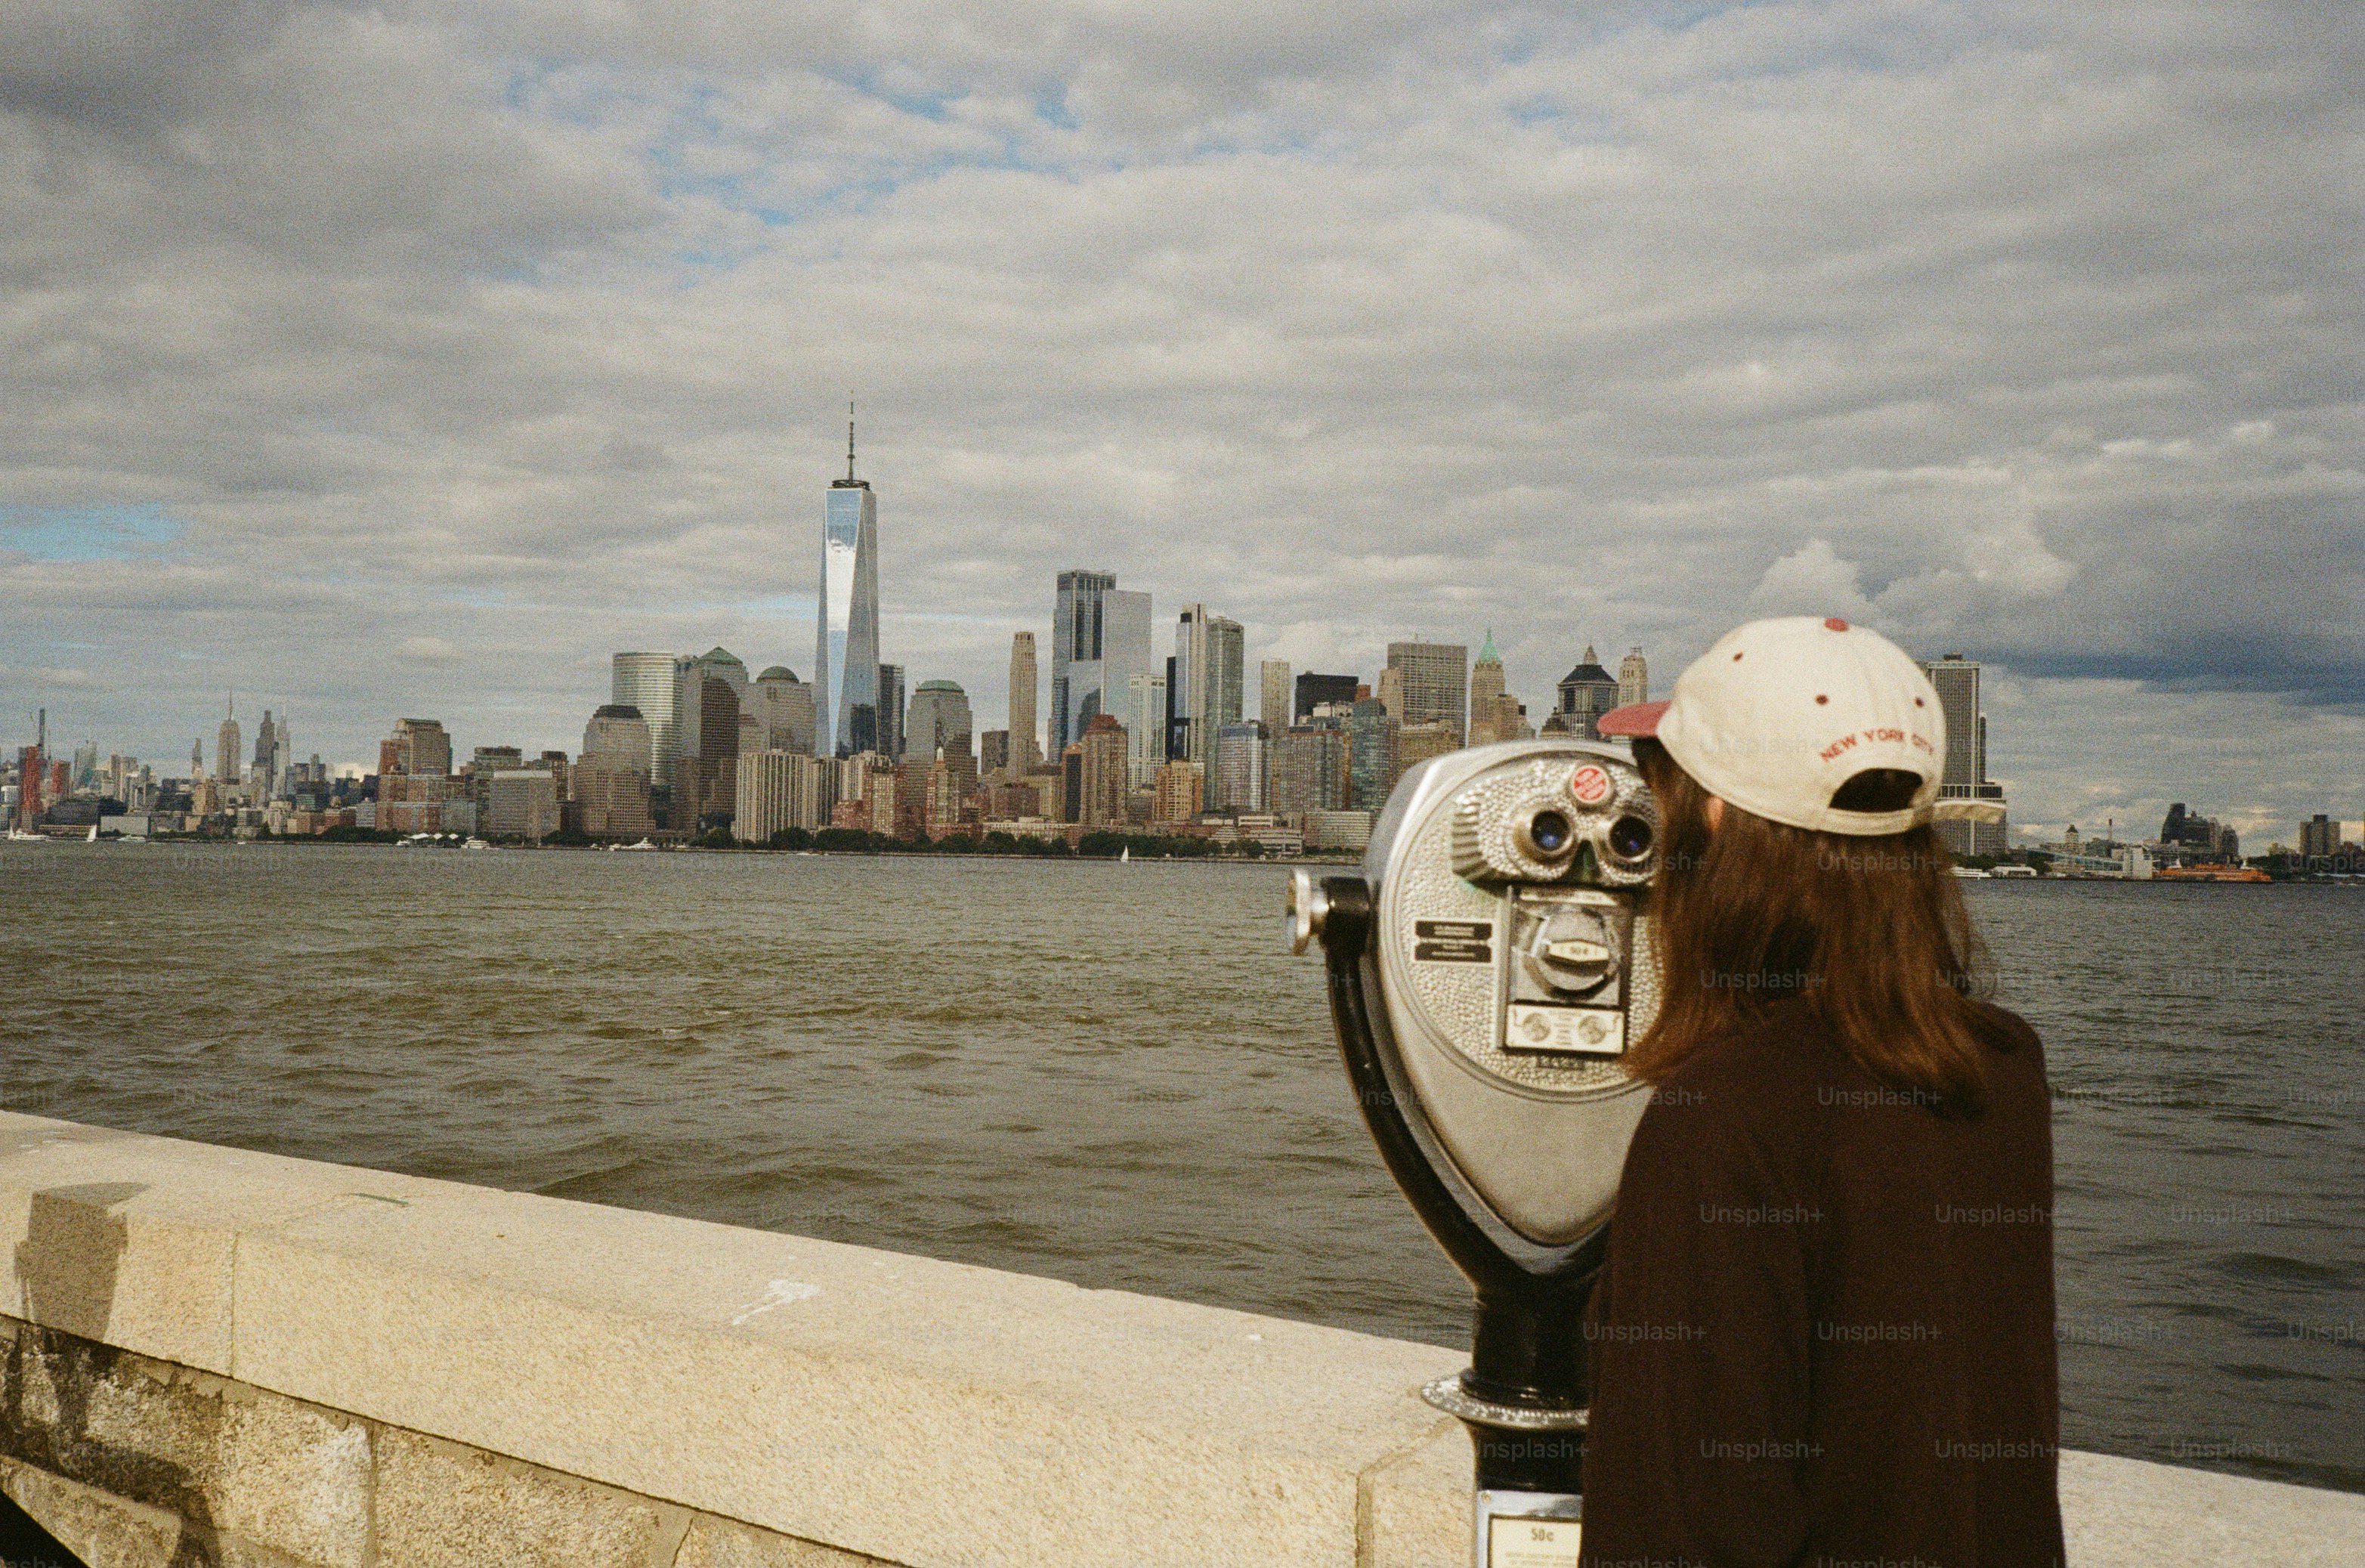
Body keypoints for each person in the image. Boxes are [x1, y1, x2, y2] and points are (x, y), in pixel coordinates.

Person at [1578, 616, 2064, 1566]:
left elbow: (1683, 1517)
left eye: (1661, 791)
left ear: (1711, 819)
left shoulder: (1724, 1115)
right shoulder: (2003, 1068)